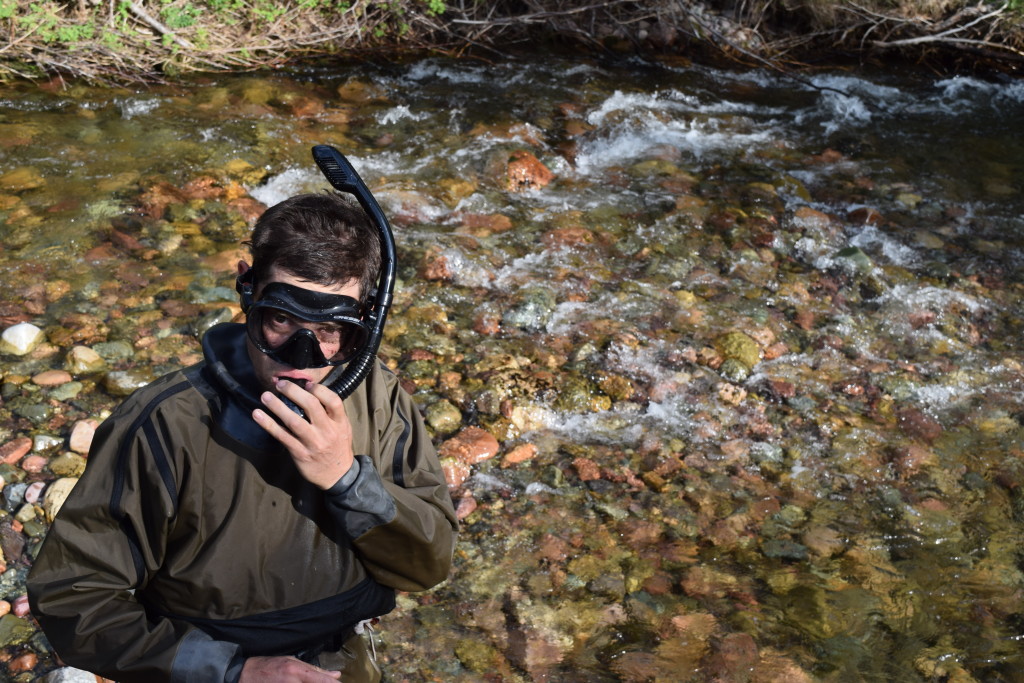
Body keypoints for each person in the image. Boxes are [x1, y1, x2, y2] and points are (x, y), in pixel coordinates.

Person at [27, 188, 459, 683]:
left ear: (366, 321)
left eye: (329, 330)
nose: (301, 358)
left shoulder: (377, 395)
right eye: (280, 320)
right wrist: (231, 671)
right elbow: (71, 597)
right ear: (247, 293)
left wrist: (346, 479)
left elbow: (427, 567)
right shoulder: (165, 426)